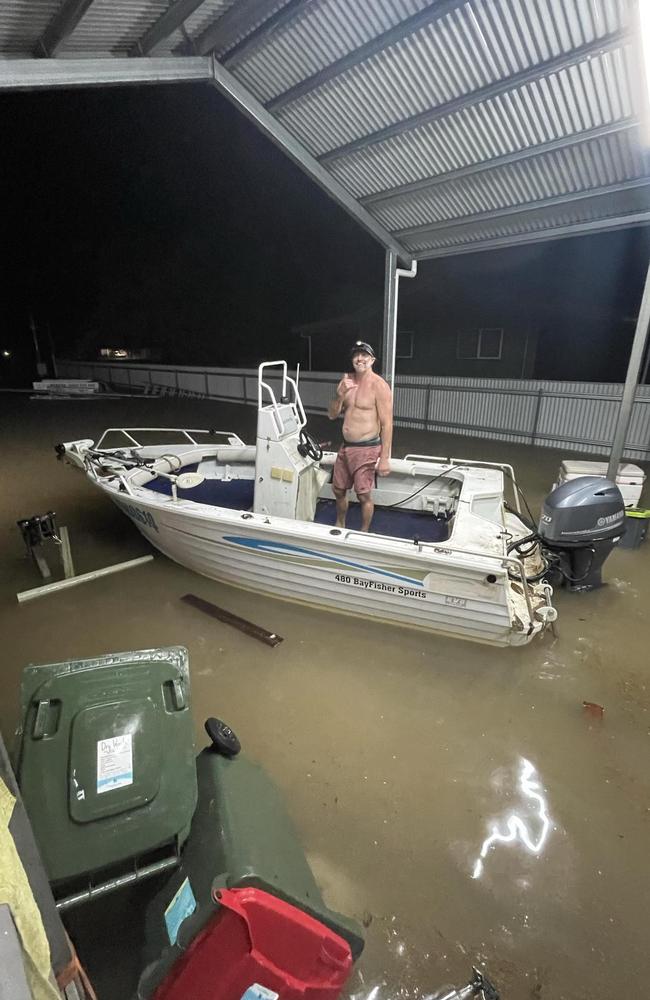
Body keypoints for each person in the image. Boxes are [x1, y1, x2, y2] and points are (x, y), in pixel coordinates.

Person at [327, 341, 393, 531]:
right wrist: (339, 395)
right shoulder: (346, 381)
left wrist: (385, 459)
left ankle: (364, 532)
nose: (360, 359)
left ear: (372, 360)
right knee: (338, 490)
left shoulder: (379, 385)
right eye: (356, 355)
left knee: (363, 495)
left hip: (367, 449)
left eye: (364, 355)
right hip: (346, 447)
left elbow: (387, 424)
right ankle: (340, 523)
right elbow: (331, 415)